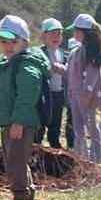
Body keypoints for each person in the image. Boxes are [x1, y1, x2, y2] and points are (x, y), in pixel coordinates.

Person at [0, 15, 49, 200]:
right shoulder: (5, 65)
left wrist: (19, 121)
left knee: (15, 162)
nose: (8, 46)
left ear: (25, 41)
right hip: (8, 122)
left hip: (21, 123)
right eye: (3, 41)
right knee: (15, 160)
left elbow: (27, 95)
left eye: (13, 41)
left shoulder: (26, 65)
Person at [64, 12, 101, 162]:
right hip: (75, 95)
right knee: (78, 128)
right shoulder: (76, 51)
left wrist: (87, 92)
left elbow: (92, 74)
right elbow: (71, 72)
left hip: (87, 97)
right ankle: (81, 158)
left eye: (77, 30)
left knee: (92, 126)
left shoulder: (92, 52)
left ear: (85, 33)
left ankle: (97, 158)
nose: (74, 33)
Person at [39, 17, 68, 150]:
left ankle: (54, 144)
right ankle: (37, 144)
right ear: (43, 36)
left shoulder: (63, 53)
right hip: (44, 93)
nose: (56, 37)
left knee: (56, 120)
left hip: (58, 92)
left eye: (59, 34)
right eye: (52, 33)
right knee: (42, 119)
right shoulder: (40, 52)